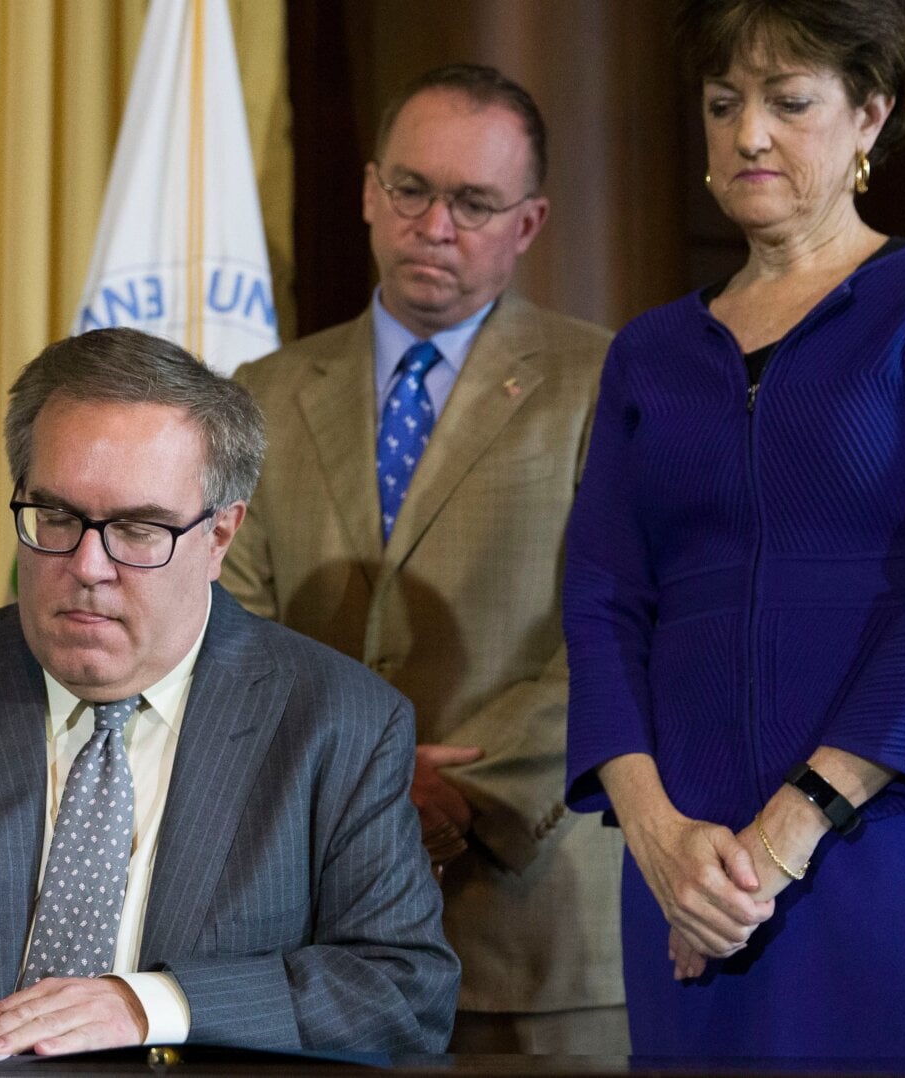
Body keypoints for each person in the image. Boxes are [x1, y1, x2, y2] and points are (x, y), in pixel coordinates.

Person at [0, 328, 459, 1059]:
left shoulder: (338, 721)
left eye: (137, 529)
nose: (87, 566)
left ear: (220, 537)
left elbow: (400, 987)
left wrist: (148, 1004)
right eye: (56, 518)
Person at [563, 0, 905, 1058]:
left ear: (870, 114)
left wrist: (790, 831)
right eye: (722, 104)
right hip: (694, 870)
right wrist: (655, 834)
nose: (748, 134)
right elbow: (601, 604)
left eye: (789, 102)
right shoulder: (647, 352)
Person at [222, 64, 625, 1054]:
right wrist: (363, 786)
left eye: (474, 203)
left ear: (528, 224)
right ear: (370, 191)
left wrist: (460, 794)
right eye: (412, 190)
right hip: (310, 931)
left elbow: (619, 631)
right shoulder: (262, 389)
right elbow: (229, 631)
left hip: (532, 926)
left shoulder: (608, 380)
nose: (435, 226)